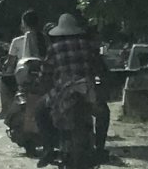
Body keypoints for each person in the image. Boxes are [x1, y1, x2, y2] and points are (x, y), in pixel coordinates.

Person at [42, 10, 109, 156]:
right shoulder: (88, 46)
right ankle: (100, 148)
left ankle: (48, 149)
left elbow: (45, 74)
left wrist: (42, 85)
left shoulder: (54, 48)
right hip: (87, 90)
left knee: (40, 111)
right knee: (104, 113)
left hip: (62, 92)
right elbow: (100, 69)